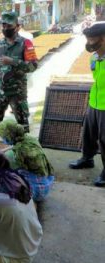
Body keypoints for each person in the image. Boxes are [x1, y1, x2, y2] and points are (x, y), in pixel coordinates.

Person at [0, 12, 38, 139]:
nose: (5, 29)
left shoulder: (25, 43)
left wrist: (12, 61)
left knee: (22, 125)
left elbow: (33, 66)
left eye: (9, 26)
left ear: (17, 27)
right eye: (3, 26)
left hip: (17, 92)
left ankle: (24, 151)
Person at [69, 22, 105, 187]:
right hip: (94, 101)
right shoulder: (95, 57)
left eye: (92, 39)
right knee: (88, 134)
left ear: (103, 39)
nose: (89, 43)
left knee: (104, 139)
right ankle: (87, 158)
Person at [0, 119, 55, 202]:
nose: (2, 140)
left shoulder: (14, 154)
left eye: (3, 137)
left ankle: (28, 199)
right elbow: (15, 146)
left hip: (37, 192)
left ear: (9, 137)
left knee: (2, 178)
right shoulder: (29, 138)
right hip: (48, 181)